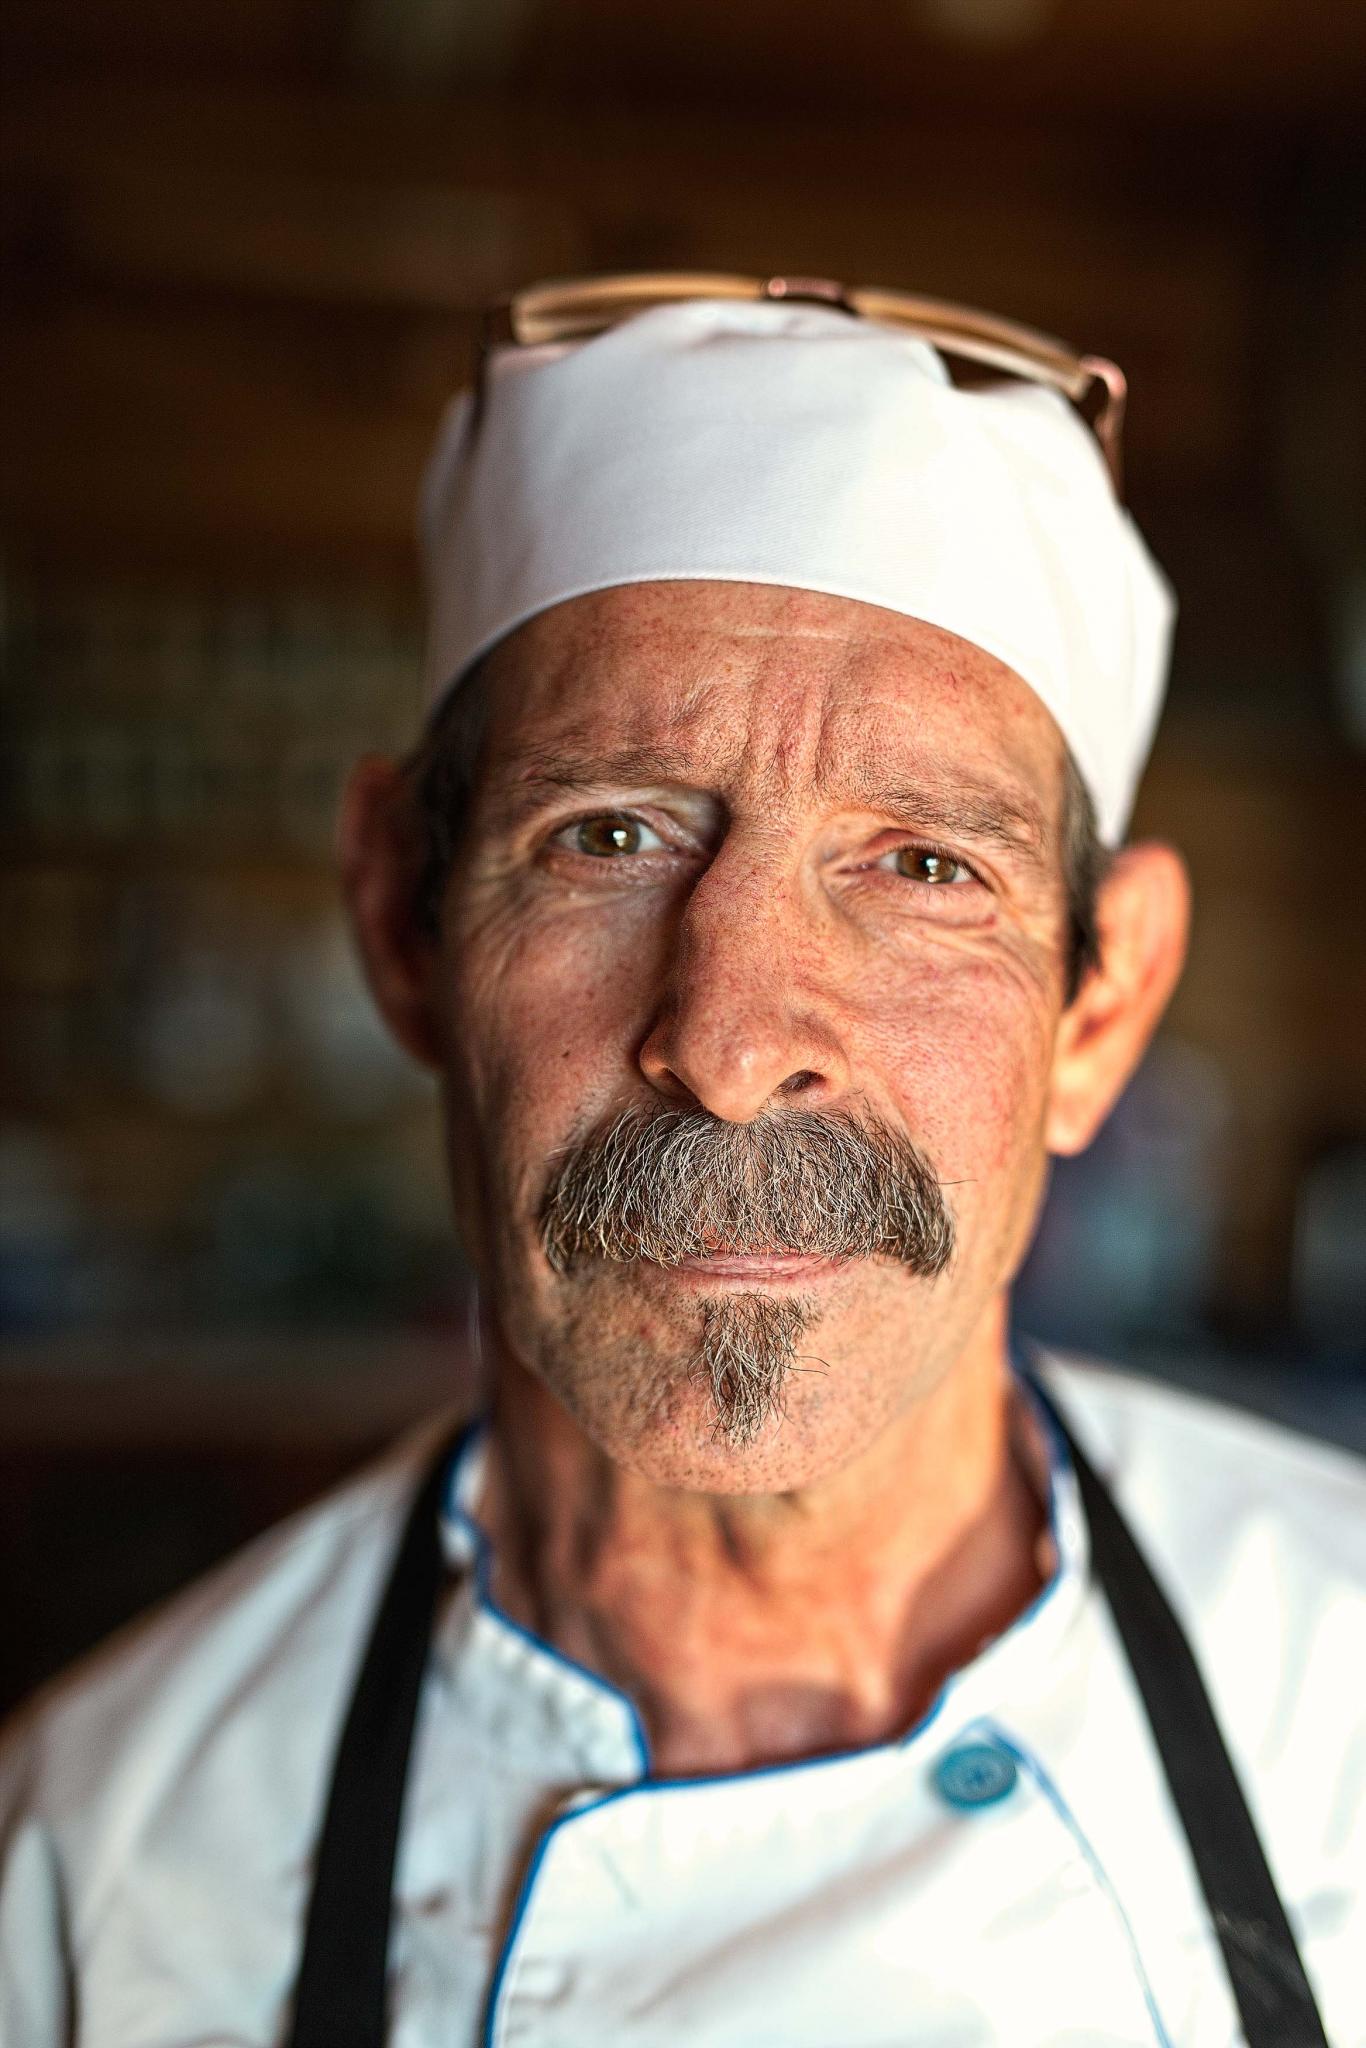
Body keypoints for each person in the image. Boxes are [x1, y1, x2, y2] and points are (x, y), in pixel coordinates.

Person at [2, 274, 1362, 2048]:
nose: (729, 1048)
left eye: (925, 865)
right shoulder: (89, 1877)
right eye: (610, 836)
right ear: (403, 925)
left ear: (1100, 1005)